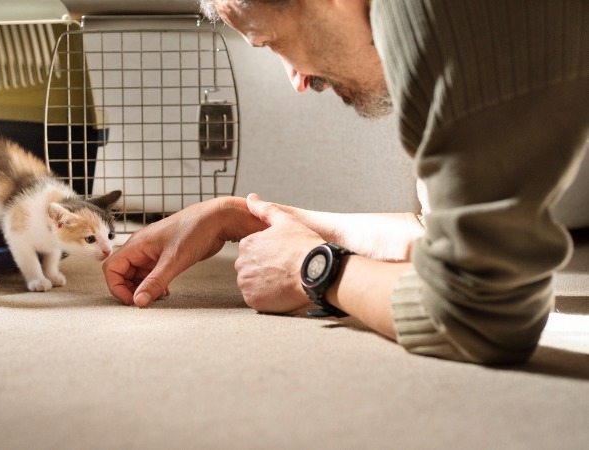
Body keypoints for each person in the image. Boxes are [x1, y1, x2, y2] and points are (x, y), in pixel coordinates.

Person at [102, 0, 589, 364]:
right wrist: (238, 216)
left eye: (273, 42)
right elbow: (441, 234)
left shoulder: (448, 23)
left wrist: (314, 268)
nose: (295, 79)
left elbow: (482, 311)